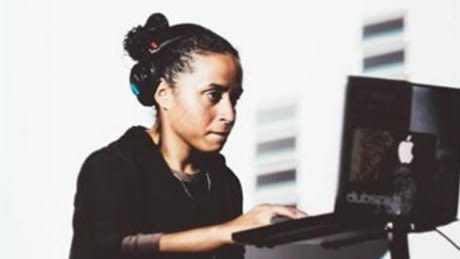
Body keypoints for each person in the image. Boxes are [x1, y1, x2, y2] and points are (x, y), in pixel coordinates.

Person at [69, 12, 306, 259]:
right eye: (213, 95)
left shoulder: (223, 182)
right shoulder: (111, 167)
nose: (229, 114)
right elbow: (110, 250)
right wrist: (226, 232)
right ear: (164, 94)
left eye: (234, 99)